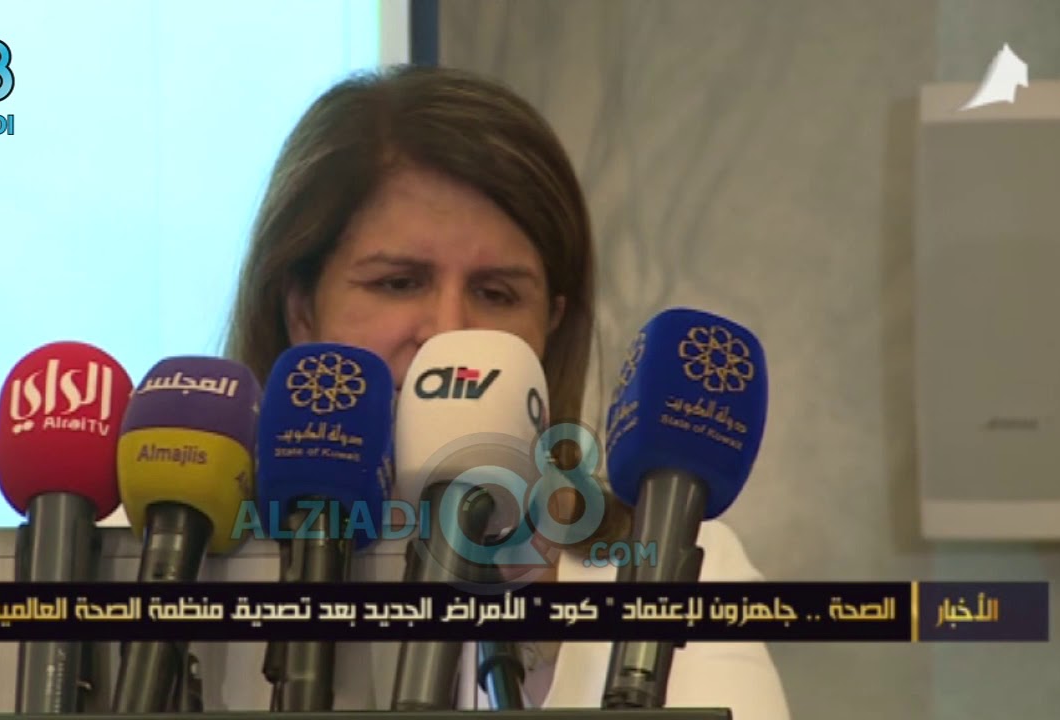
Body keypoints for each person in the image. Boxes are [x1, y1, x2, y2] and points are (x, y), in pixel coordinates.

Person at [226, 64, 790, 718]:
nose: (448, 333)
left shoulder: (674, 561)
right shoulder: (173, 550)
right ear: (301, 311)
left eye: (496, 294)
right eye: (398, 283)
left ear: (549, 327)